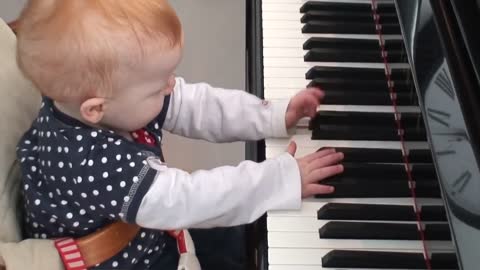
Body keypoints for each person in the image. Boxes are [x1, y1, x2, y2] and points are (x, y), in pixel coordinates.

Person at [15, 0, 344, 269]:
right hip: (129, 260)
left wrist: (270, 114)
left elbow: (194, 105)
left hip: (147, 225)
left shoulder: (100, 99)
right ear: (95, 109)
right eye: (159, 85)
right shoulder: (92, 165)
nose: (172, 85)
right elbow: (192, 198)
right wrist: (281, 180)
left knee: (249, 235)